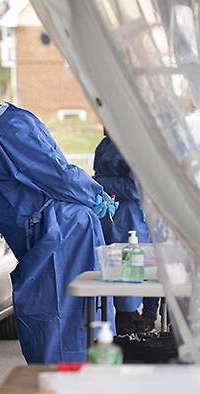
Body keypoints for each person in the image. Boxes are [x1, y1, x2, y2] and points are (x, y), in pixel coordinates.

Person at [0, 65, 118, 364]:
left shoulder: (9, 130)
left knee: (62, 321)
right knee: (48, 319)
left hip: (60, 236)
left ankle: (65, 382)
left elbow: (55, 174)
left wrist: (94, 196)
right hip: (43, 238)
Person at [94, 130, 158, 333]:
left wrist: (99, 183)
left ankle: (140, 316)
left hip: (130, 218)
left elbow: (134, 188)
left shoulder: (133, 145)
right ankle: (126, 319)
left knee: (134, 269)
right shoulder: (106, 144)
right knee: (113, 271)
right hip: (111, 218)